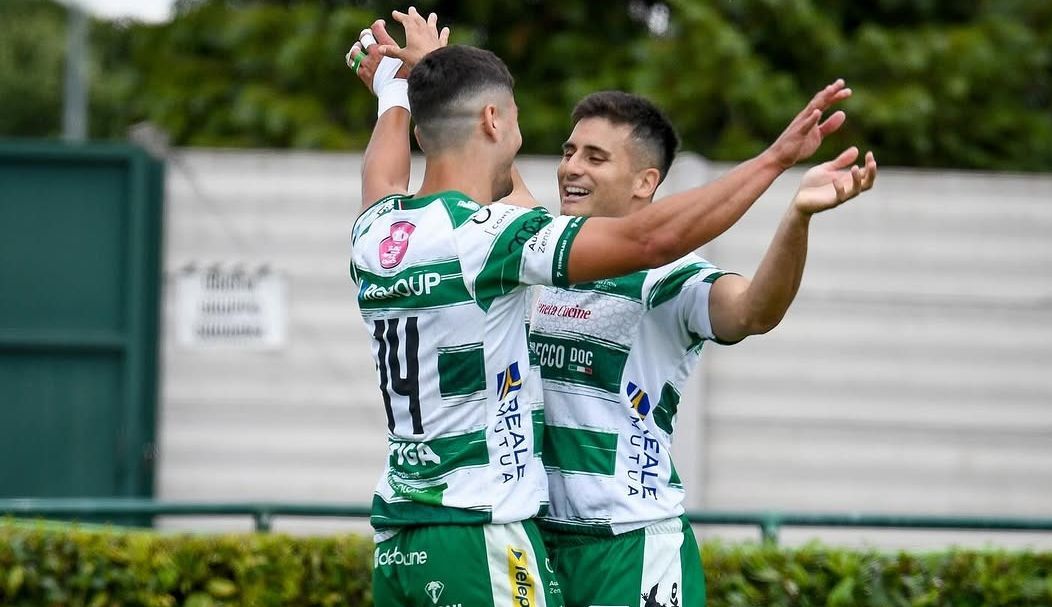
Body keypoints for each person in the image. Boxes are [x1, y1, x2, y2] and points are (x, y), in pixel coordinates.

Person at [346, 9, 867, 607]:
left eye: (594, 157)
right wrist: (439, 82)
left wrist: (415, 86)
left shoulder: (398, 231)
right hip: (512, 531)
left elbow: (751, 311)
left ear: (645, 182)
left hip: (626, 543)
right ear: (494, 120)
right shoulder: (515, 244)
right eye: (568, 151)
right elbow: (484, 166)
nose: (570, 166)